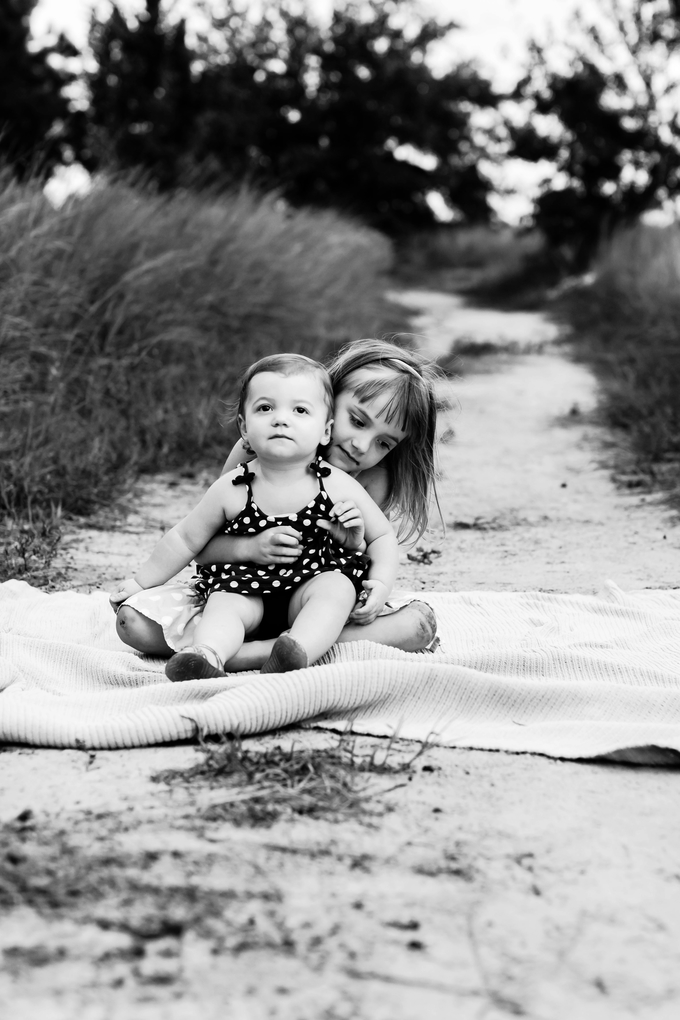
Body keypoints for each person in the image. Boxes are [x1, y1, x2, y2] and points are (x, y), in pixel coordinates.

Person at [115, 338, 442, 668]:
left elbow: (376, 544)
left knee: (378, 609)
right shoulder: (252, 456)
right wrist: (249, 548)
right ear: (327, 399)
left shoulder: (368, 479)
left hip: (315, 596)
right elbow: (198, 542)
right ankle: (224, 650)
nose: (361, 446)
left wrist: (360, 555)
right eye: (357, 421)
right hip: (243, 588)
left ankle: (260, 653)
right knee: (134, 623)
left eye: (383, 443)